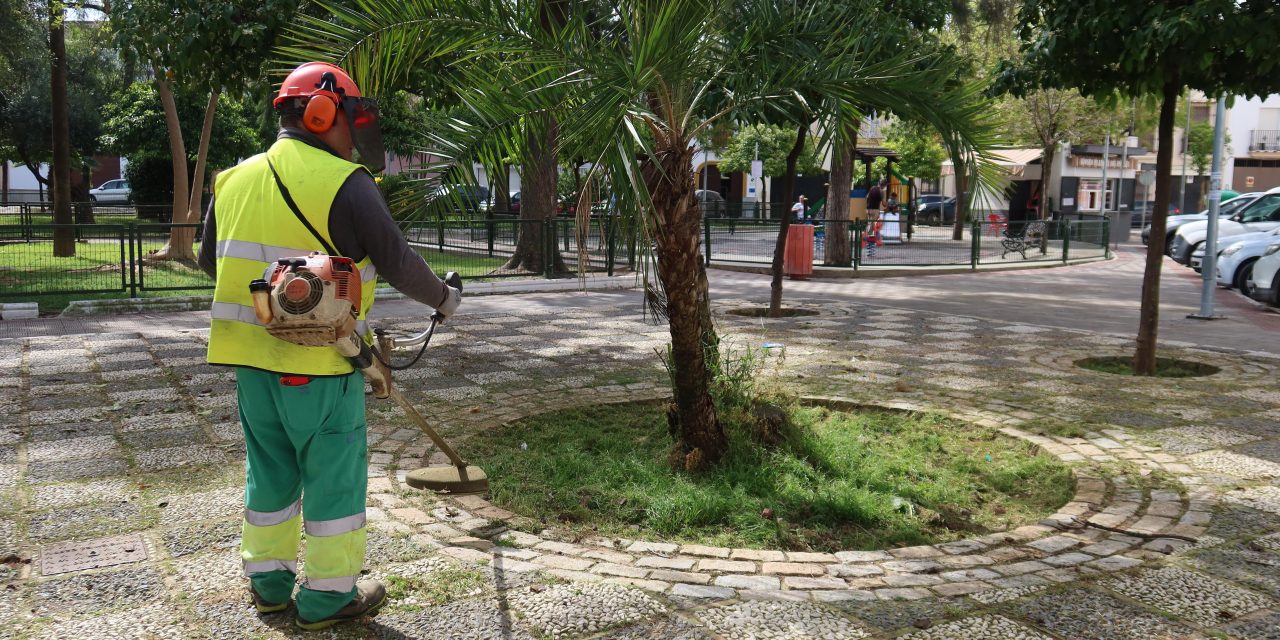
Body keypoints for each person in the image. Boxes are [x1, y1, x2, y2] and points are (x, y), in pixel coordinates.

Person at [196, 62, 462, 631]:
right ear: (322, 114)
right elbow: (397, 262)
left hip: (250, 364)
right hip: (322, 364)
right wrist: (445, 300)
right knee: (332, 479)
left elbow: (206, 259)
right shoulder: (347, 182)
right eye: (350, 118)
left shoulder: (232, 180)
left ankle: (267, 589)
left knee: (269, 475)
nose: (353, 133)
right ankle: (328, 599)